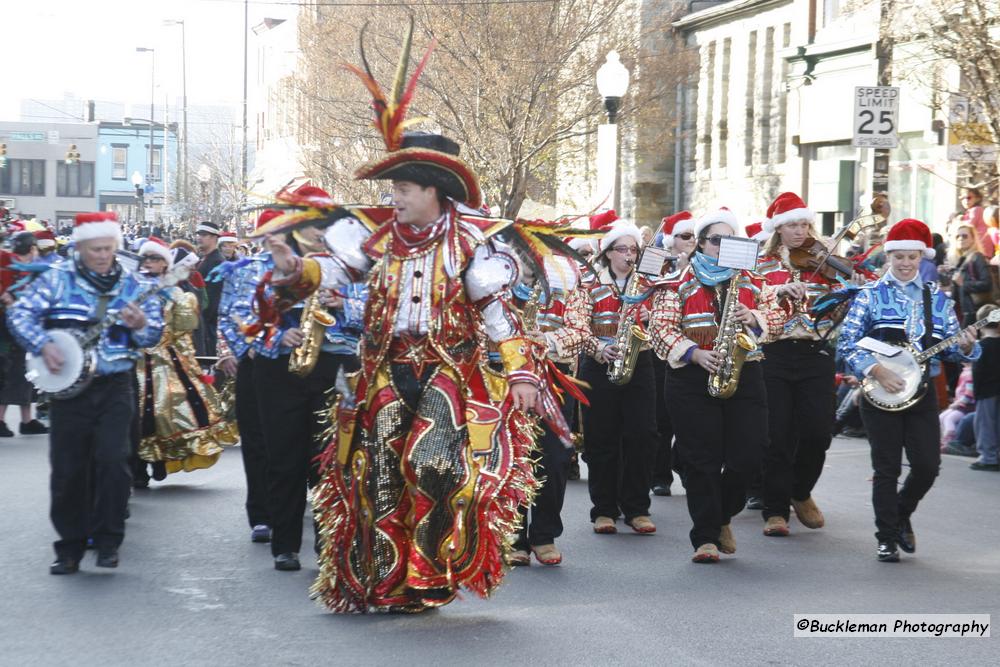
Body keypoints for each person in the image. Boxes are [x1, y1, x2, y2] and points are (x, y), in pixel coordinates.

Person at [6, 212, 164, 574]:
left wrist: (141, 326)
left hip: (115, 385)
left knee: (113, 462)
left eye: (109, 248)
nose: (103, 255)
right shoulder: (56, 279)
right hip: (69, 393)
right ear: (79, 247)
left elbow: (154, 333)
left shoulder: (134, 284)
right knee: (67, 470)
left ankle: (108, 541)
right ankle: (69, 547)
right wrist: (43, 343)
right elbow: (20, 316)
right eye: (96, 249)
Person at [838, 218, 979, 562]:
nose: (904, 264)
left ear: (923, 259)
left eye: (912, 257)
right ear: (888, 257)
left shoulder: (937, 299)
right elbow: (847, 343)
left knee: (928, 465)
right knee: (886, 467)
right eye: (898, 256)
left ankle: (901, 513)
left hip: (922, 393)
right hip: (879, 392)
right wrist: (877, 370)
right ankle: (885, 536)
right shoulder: (870, 295)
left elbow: (949, 348)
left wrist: (963, 347)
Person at [648, 207, 782, 563]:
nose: (722, 246)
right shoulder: (675, 281)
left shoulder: (753, 280)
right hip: (691, 376)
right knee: (701, 459)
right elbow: (659, 331)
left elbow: (779, 318)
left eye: (729, 240)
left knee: (751, 453)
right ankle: (705, 536)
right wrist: (693, 354)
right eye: (715, 240)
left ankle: (722, 513)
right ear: (702, 244)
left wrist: (754, 317)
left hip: (745, 372)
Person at [561, 216, 658, 535]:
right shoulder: (588, 282)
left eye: (634, 249)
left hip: (639, 362)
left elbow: (667, 324)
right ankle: (603, 509)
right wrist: (597, 348)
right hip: (598, 364)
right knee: (602, 438)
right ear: (607, 252)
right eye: (623, 249)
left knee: (642, 436)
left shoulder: (647, 283)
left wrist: (650, 315)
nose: (630, 255)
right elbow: (577, 323)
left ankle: (637, 508)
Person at [755, 192, 839, 537]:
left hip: (815, 351)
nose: (801, 231)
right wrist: (776, 293)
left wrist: (844, 297)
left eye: (805, 224)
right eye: (793, 225)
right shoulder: (761, 264)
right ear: (779, 229)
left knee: (818, 431)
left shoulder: (825, 262)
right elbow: (748, 296)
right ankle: (775, 509)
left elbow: (841, 307)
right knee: (778, 433)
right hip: (774, 351)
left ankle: (800, 490)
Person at [134, 239, 238, 477]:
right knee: (137, 412)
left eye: (155, 259)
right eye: (146, 258)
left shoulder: (175, 294)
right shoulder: (129, 288)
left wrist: (190, 364)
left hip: (165, 360)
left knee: (164, 411)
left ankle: (160, 457)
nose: (149, 263)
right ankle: (138, 463)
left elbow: (183, 334)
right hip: (135, 359)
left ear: (165, 264)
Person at [508, 253, 581, 565]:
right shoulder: (497, 285)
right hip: (508, 380)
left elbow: (580, 332)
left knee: (554, 458)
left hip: (554, 379)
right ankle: (513, 536)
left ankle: (544, 534)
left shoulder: (568, 286)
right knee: (512, 457)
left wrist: (548, 339)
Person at [216, 210, 277, 545]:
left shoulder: (304, 268)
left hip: (291, 364)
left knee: (288, 442)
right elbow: (227, 314)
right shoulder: (243, 270)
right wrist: (234, 348)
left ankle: (288, 505)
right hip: (253, 363)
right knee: (254, 440)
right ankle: (261, 514)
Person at [0, 231, 49, 436]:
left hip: (23, 326)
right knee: (8, 371)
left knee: (27, 371)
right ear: (32, 248)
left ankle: (26, 419)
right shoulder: (7, 263)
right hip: (7, 327)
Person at [971, 304, 1000, 471]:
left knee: (985, 424)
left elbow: (978, 372)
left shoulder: (980, 347)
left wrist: (976, 392)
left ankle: (988, 457)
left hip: (986, 391)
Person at [948, 224, 993, 326]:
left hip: (973, 312)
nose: (960, 239)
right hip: (962, 312)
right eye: (957, 236)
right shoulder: (961, 260)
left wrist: (963, 283)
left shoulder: (977, 257)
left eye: (965, 236)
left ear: (973, 239)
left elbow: (987, 283)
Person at [195, 222, 224, 356]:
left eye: (204, 235)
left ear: (215, 238)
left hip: (207, 325)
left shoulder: (217, 262)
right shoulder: (205, 259)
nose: (199, 238)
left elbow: (213, 300)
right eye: (198, 234)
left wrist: (201, 322)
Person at [960, 187, 994, 257]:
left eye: (969, 198)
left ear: (978, 198)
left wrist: (959, 221)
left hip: (981, 244)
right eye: (963, 198)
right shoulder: (970, 211)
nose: (966, 200)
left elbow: (969, 226)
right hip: (978, 245)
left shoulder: (976, 209)